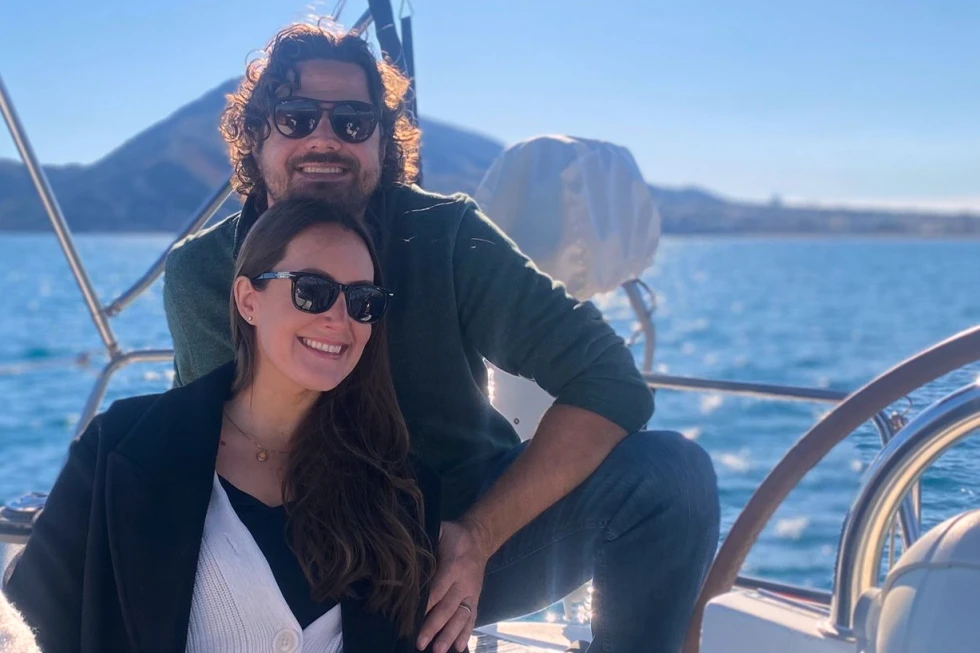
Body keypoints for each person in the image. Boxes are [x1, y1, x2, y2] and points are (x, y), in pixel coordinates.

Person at [163, 21, 720, 653]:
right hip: (307, 543)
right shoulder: (205, 274)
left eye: (353, 121)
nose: (324, 138)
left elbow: (610, 382)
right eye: (295, 117)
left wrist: (478, 536)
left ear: (382, 140)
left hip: (461, 527)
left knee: (669, 477)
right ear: (256, 134)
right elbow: (219, 466)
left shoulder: (446, 237)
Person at [4, 199, 443, 653]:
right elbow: (26, 626)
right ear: (248, 300)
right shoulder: (117, 450)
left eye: (362, 300)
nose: (339, 318)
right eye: (312, 290)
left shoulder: (403, 493)